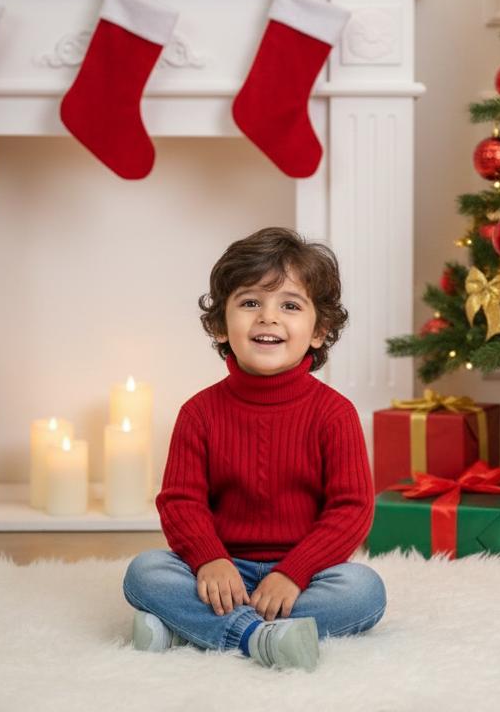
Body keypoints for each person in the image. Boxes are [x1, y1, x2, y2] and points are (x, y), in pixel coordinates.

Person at [123, 227, 384, 672]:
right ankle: (257, 637)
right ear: (220, 325)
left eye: (290, 305)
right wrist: (210, 560)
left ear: (319, 331)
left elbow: (351, 510)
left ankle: (191, 629)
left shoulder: (335, 414)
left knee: (364, 591)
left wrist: (293, 572)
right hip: (222, 572)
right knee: (144, 573)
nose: (268, 317)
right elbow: (181, 502)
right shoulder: (198, 412)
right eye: (249, 303)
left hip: (305, 576)